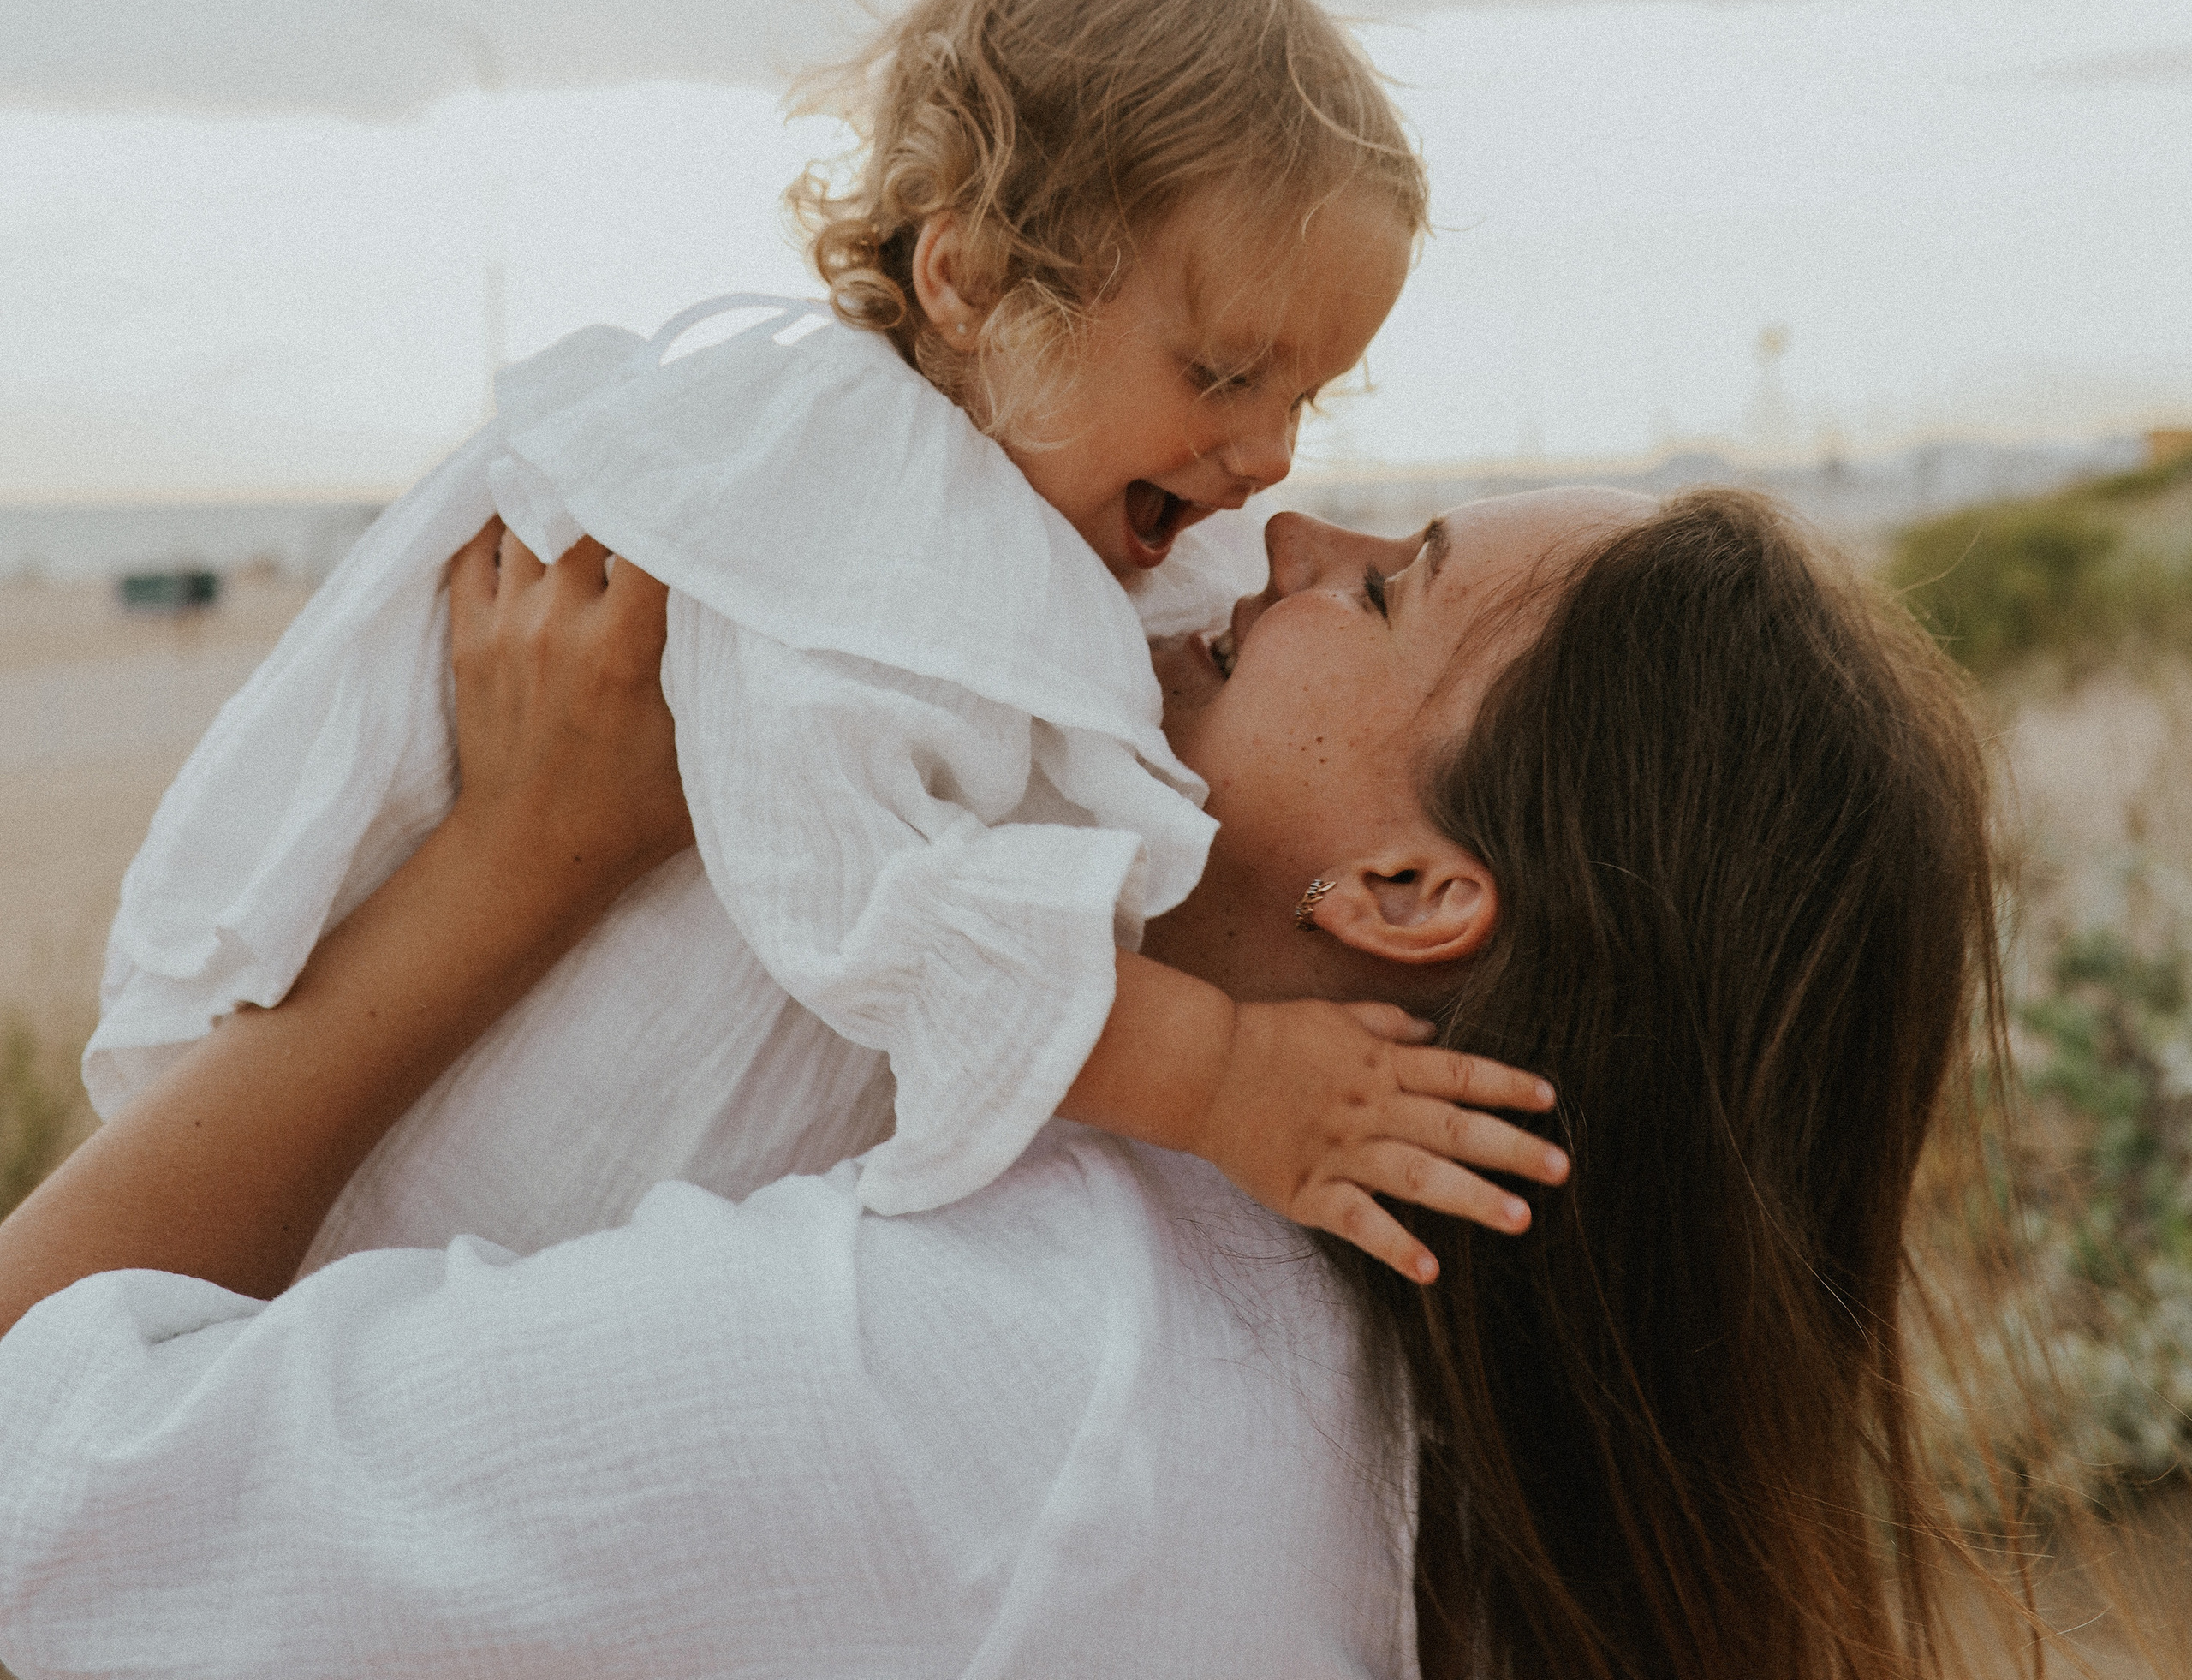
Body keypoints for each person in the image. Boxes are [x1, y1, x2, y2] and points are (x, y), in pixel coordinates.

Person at [0, 479, 2026, 1680]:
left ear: (1409, 891)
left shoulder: (989, 1382)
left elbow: (41, 1495)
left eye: (1387, 584)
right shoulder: (1424, 1446)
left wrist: (509, 867)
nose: (1287, 527)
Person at [88, 0, 1533, 1285]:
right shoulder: (833, 506)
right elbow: (862, 895)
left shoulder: (1069, 502)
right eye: (1223, 374)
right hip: (447, 1154)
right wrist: (1215, 1073)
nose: (1274, 456)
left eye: (1307, 394)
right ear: (972, 283)